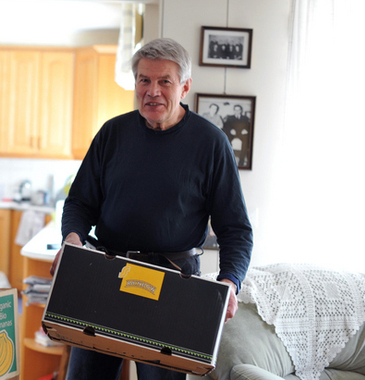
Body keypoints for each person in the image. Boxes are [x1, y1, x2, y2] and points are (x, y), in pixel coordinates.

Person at [50, 38, 253, 380]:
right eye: (144, 80)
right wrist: (72, 238)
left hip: (173, 282)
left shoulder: (211, 144)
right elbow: (80, 202)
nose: (152, 91)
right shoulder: (112, 133)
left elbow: (236, 229)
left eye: (164, 82)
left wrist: (230, 282)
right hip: (106, 271)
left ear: (185, 87)